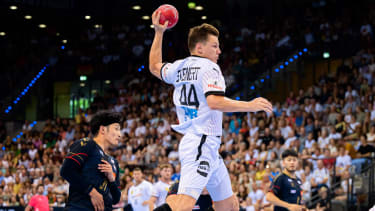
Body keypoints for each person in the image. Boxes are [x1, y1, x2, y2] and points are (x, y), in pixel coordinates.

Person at [149, 10, 272, 211]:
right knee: (184, 205)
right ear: (199, 47)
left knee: (230, 205)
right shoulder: (209, 67)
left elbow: (154, 67)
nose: (219, 51)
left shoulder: (179, 66)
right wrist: (250, 105)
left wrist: (159, 32)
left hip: (206, 145)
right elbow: (215, 102)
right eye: (214, 46)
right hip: (201, 140)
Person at [60, 111, 122, 211]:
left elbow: (116, 199)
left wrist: (112, 179)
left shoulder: (114, 162)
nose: (120, 134)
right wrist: (91, 191)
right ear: (103, 129)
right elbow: (66, 170)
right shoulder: (87, 144)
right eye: (116, 129)